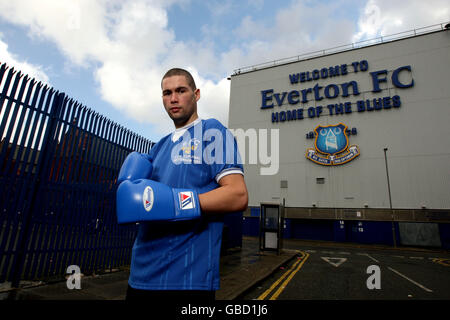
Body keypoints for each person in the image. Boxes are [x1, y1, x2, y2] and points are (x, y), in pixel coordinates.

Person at [119, 68, 248, 301]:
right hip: (140, 276)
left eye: (181, 90)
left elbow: (237, 195)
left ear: (196, 94)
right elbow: (147, 205)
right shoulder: (158, 147)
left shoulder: (212, 132)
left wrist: (177, 203)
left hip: (186, 280)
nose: (173, 99)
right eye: (167, 93)